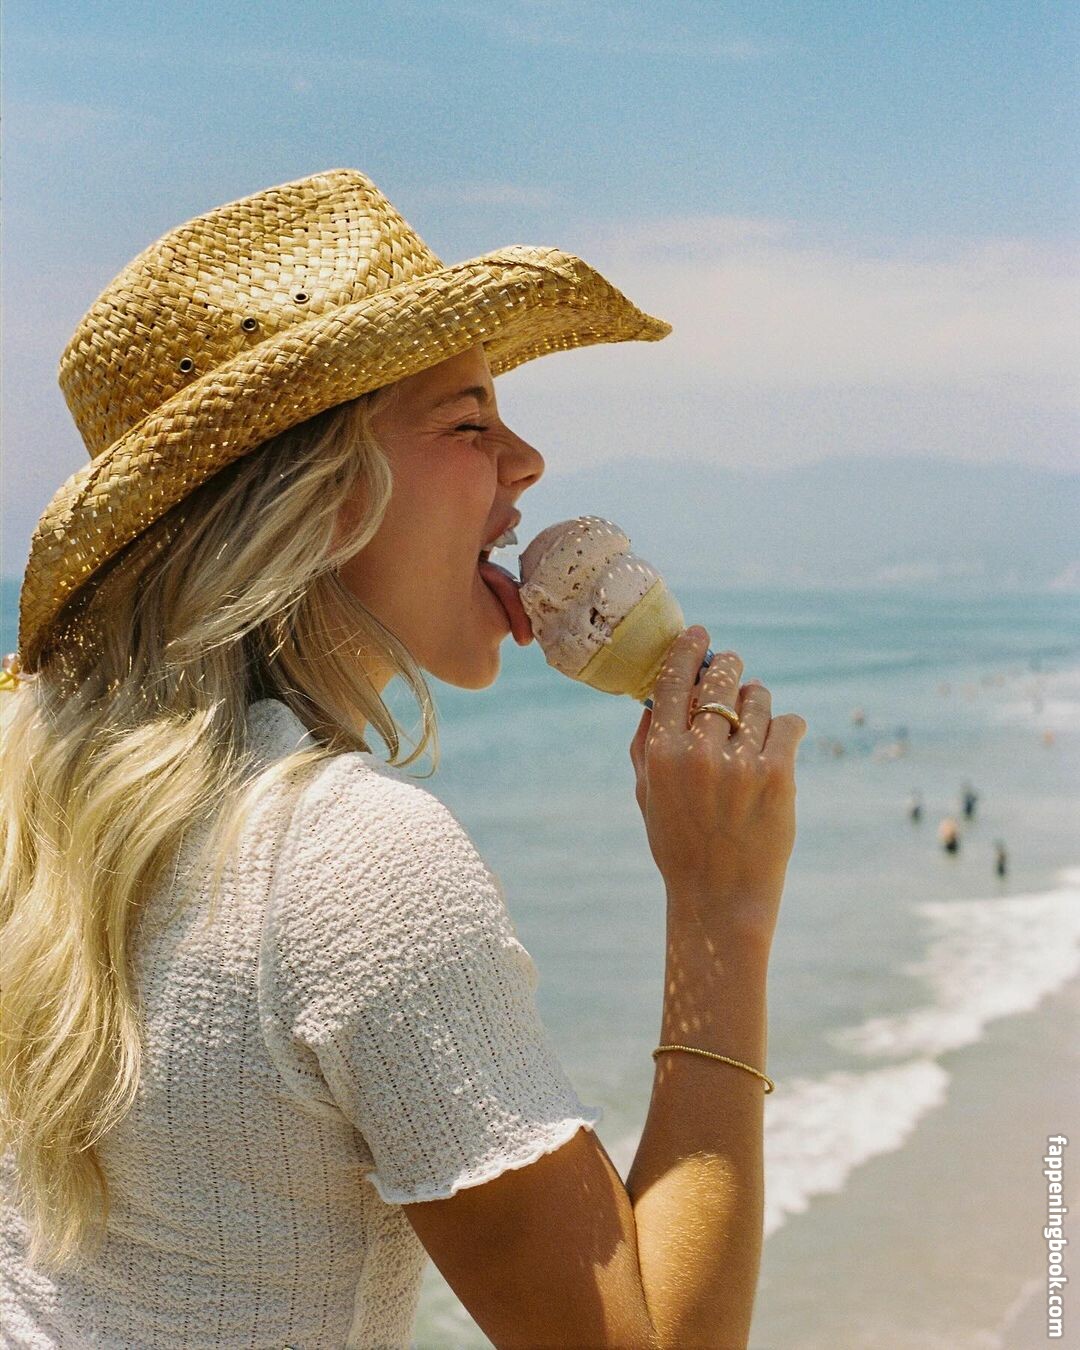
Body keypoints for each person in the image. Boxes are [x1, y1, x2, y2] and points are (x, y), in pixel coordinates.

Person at [0, 168, 807, 1348]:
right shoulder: (345, 861)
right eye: (469, 422)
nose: (526, 460)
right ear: (320, 494)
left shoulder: (32, 779)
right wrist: (722, 907)